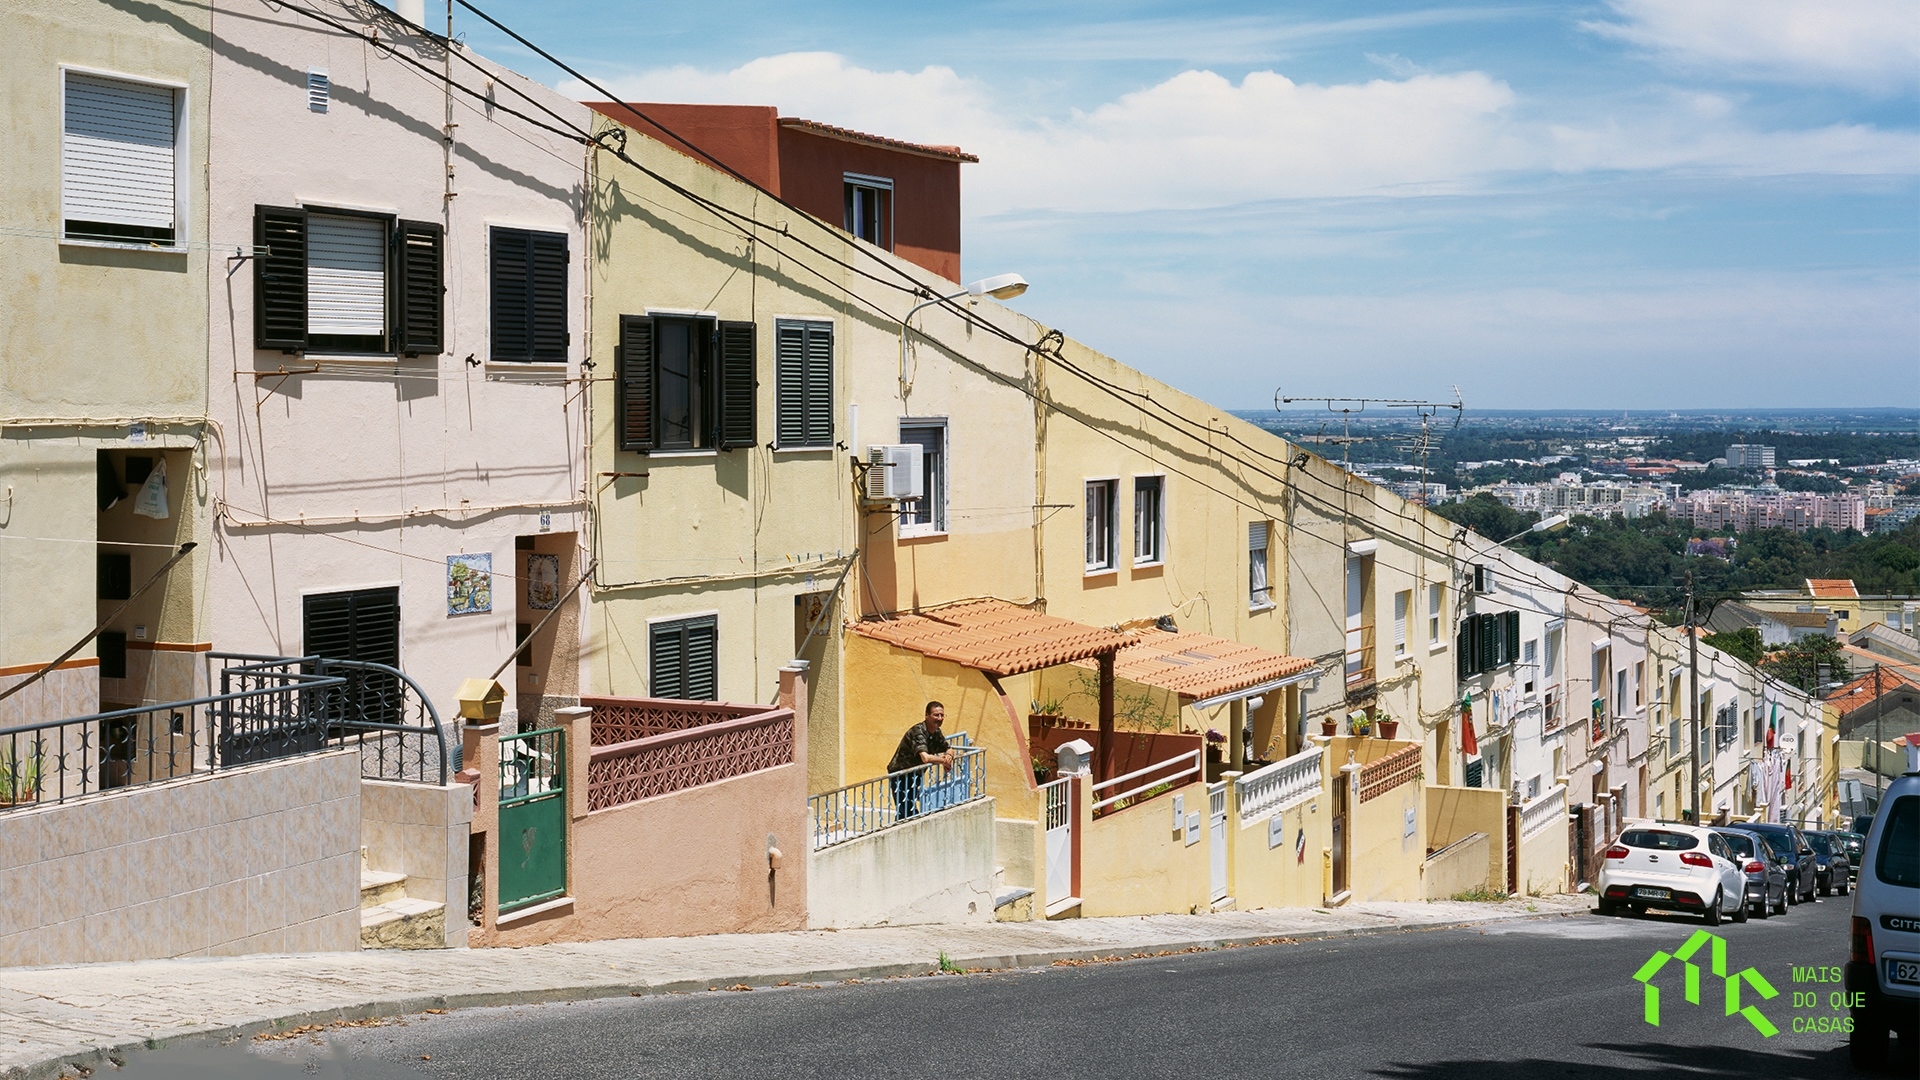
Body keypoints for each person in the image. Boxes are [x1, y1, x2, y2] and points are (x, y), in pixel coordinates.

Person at [888, 701, 953, 821]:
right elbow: (926, 758)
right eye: (936, 715)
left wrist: (949, 754)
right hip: (901, 775)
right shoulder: (918, 731)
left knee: (904, 814)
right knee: (909, 812)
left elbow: (948, 747)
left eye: (942, 715)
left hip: (915, 774)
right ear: (927, 715)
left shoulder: (936, 731)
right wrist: (943, 761)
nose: (939, 718)